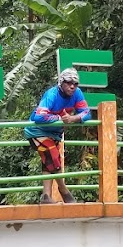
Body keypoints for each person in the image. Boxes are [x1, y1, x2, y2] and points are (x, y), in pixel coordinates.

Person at [25, 67, 91, 204]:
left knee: (48, 162)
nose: (72, 86)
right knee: (54, 159)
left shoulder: (77, 94)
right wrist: (60, 119)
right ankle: (64, 191)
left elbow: (87, 113)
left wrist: (74, 118)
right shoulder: (52, 94)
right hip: (37, 132)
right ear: (61, 83)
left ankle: (46, 196)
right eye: (68, 83)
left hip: (55, 134)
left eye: (75, 84)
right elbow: (39, 117)